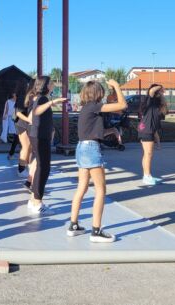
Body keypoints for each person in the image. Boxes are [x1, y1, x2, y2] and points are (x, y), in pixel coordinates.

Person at [68, 79, 127, 243]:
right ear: (97, 94)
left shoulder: (87, 109)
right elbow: (122, 105)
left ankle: (73, 225)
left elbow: (94, 131)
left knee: (82, 188)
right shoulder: (94, 106)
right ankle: (96, 231)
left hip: (82, 147)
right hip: (91, 150)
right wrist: (116, 86)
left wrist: (112, 130)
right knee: (101, 190)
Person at [27, 76, 67, 214]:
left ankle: (34, 199)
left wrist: (50, 130)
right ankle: (37, 203)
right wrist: (53, 102)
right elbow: (36, 112)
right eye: (51, 82)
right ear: (46, 85)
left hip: (39, 136)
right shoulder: (42, 99)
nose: (53, 84)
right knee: (44, 168)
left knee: (41, 167)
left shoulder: (39, 98)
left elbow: (36, 116)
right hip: (39, 137)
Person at [138, 84, 168, 186]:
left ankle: (146, 175)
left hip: (148, 129)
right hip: (146, 130)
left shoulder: (156, 104)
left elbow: (155, 123)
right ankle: (147, 176)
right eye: (161, 91)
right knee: (148, 154)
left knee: (147, 154)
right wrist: (160, 86)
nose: (162, 93)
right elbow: (151, 91)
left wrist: (158, 141)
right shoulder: (150, 100)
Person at [13, 89, 33, 178]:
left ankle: (26, 167)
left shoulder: (32, 97)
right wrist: (29, 120)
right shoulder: (23, 97)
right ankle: (21, 169)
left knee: (28, 147)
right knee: (26, 147)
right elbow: (18, 113)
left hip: (26, 124)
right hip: (22, 124)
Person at [3, 93, 18, 159]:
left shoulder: (18, 101)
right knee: (16, 137)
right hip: (12, 120)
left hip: (17, 120)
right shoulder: (8, 101)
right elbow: (6, 111)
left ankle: (11, 154)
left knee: (17, 138)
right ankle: (11, 154)